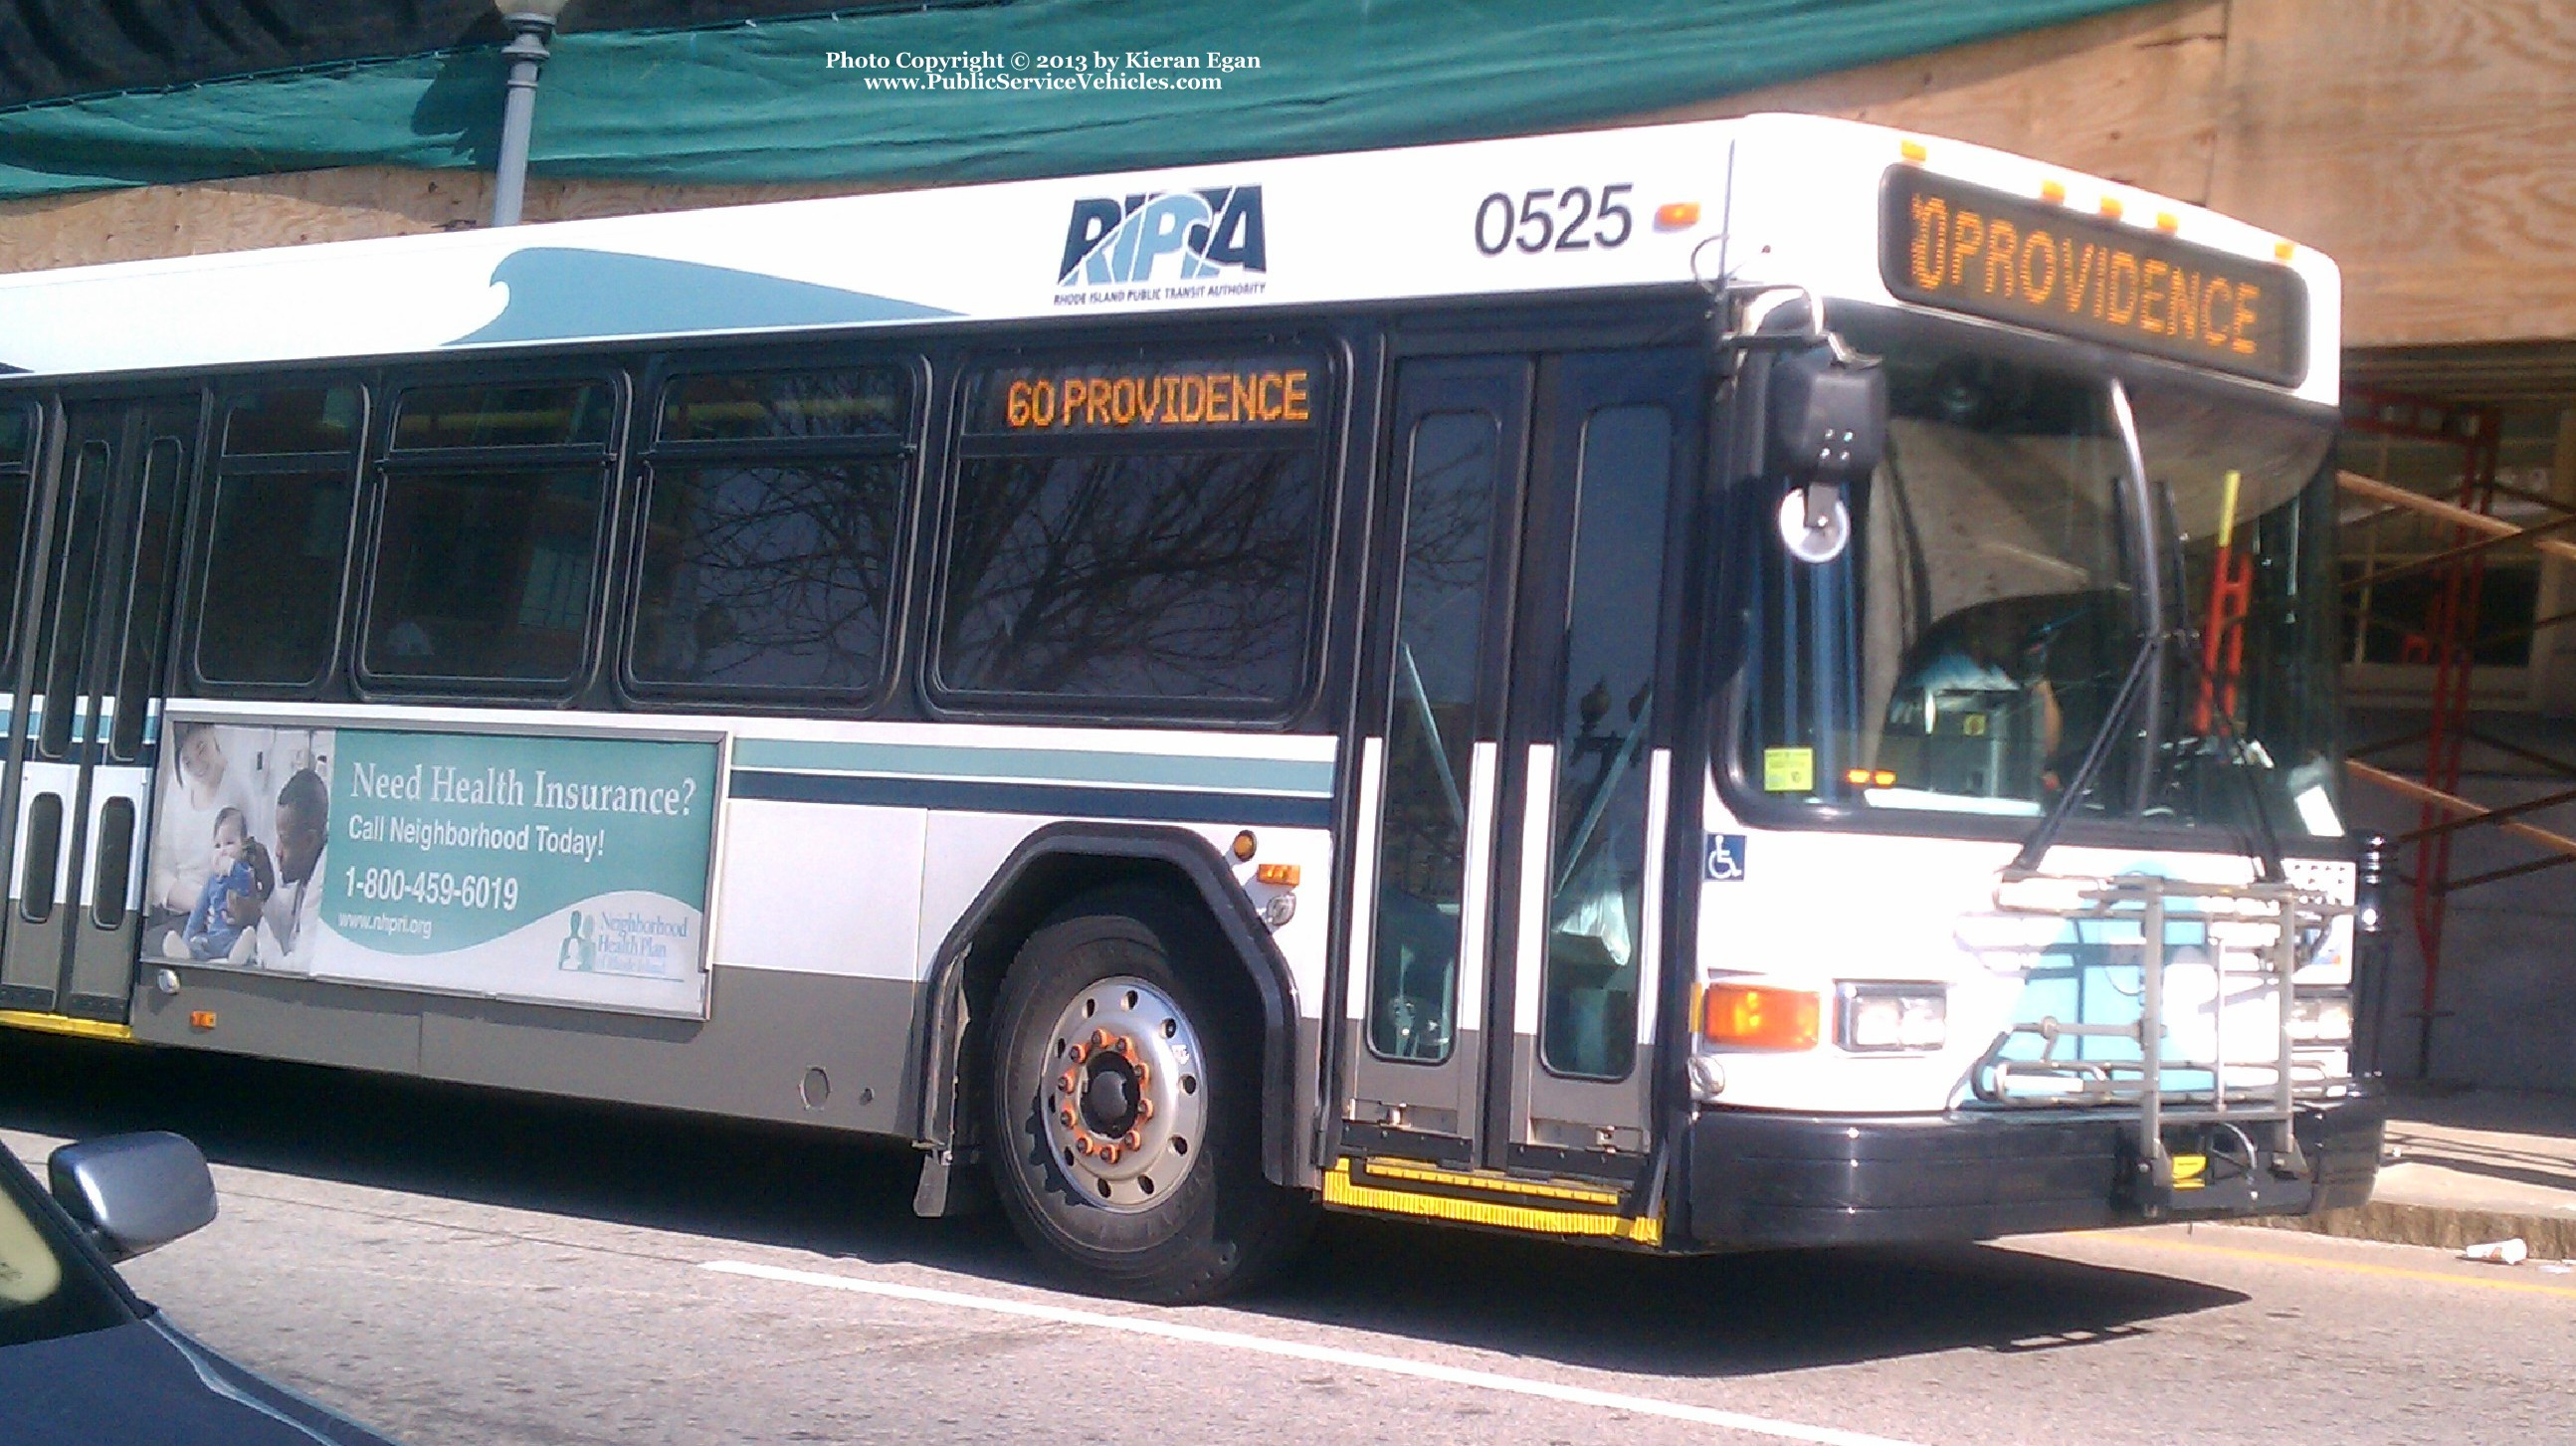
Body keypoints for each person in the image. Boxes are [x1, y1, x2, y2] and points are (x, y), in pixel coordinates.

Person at [147, 723, 254, 919]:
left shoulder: (239, 790)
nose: (198, 764)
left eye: (201, 748)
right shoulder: (175, 788)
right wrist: (200, 904)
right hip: (180, 910)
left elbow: (249, 865)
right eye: (187, 761)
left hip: (224, 913)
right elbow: (158, 873)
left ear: (212, 732)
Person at [254, 767, 328, 972]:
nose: (277, 851)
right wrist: (268, 888)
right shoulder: (308, 867)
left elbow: (295, 972)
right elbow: (290, 932)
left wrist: (256, 923)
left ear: (309, 840)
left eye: (284, 841)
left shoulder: (325, 882)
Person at [181, 821, 273, 964]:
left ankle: (238, 958)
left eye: (229, 843)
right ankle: (185, 953)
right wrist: (186, 940)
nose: (222, 851)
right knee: (197, 942)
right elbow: (198, 912)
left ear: (242, 846)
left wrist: (233, 867)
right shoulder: (212, 881)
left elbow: (246, 885)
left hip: (235, 937)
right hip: (214, 936)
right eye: (217, 846)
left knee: (248, 944)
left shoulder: (244, 872)